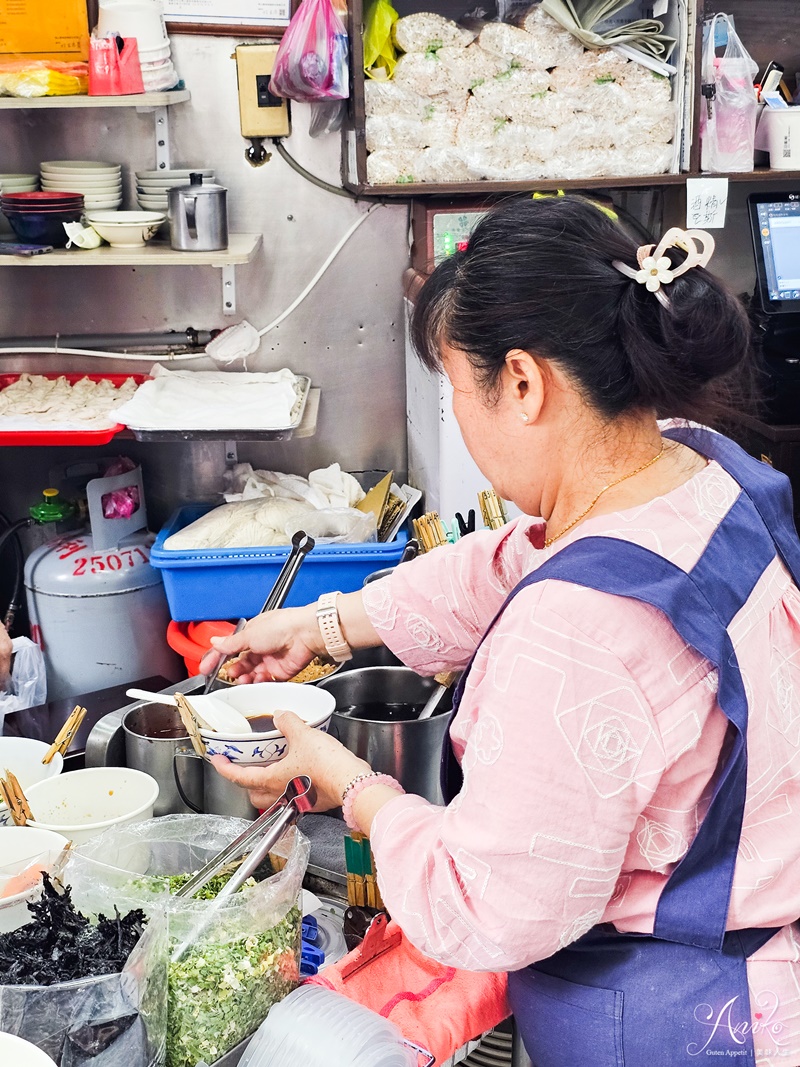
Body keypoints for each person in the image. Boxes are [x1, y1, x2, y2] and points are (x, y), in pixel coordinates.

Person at [201, 196, 800, 1067]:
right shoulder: (693, 461)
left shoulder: (578, 635)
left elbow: (480, 904)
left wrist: (351, 780)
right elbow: (513, 560)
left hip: (677, 1026)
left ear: (522, 382)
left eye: (455, 390)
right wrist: (322, 623)